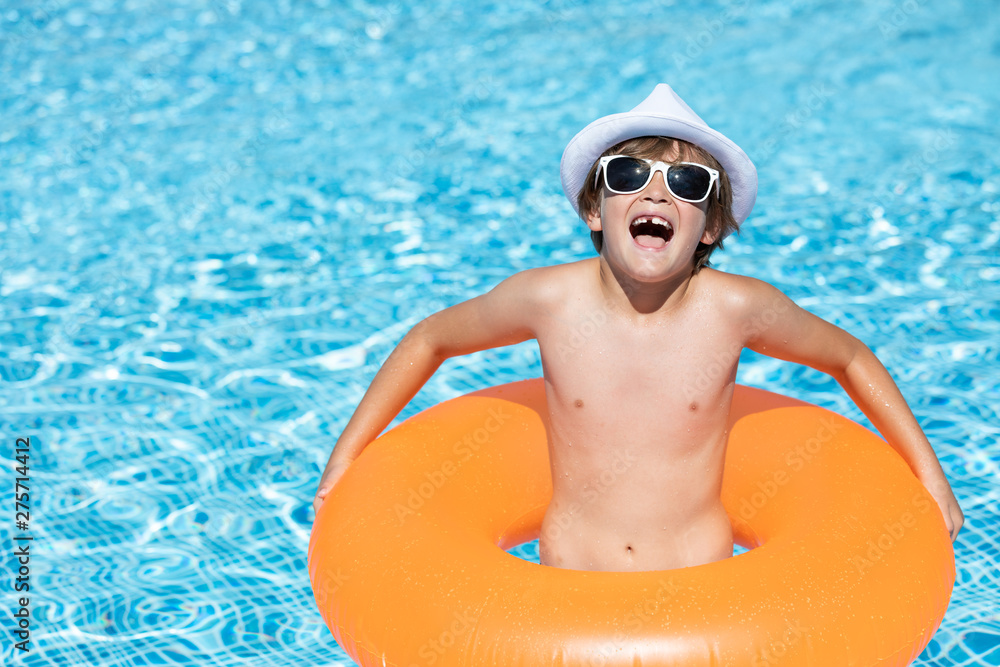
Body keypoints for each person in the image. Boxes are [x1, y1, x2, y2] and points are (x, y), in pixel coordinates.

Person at [313, 84, 963, 572]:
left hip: (699, 586)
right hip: (572, 586)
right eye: (628, 176)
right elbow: (432, 338)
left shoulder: (734, 309)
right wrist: (346, 455)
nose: (656, 194)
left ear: (708, 227)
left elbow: (848, 356)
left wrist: (929, 475)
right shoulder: (548, 300)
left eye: (686, 181)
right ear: (595, 209)